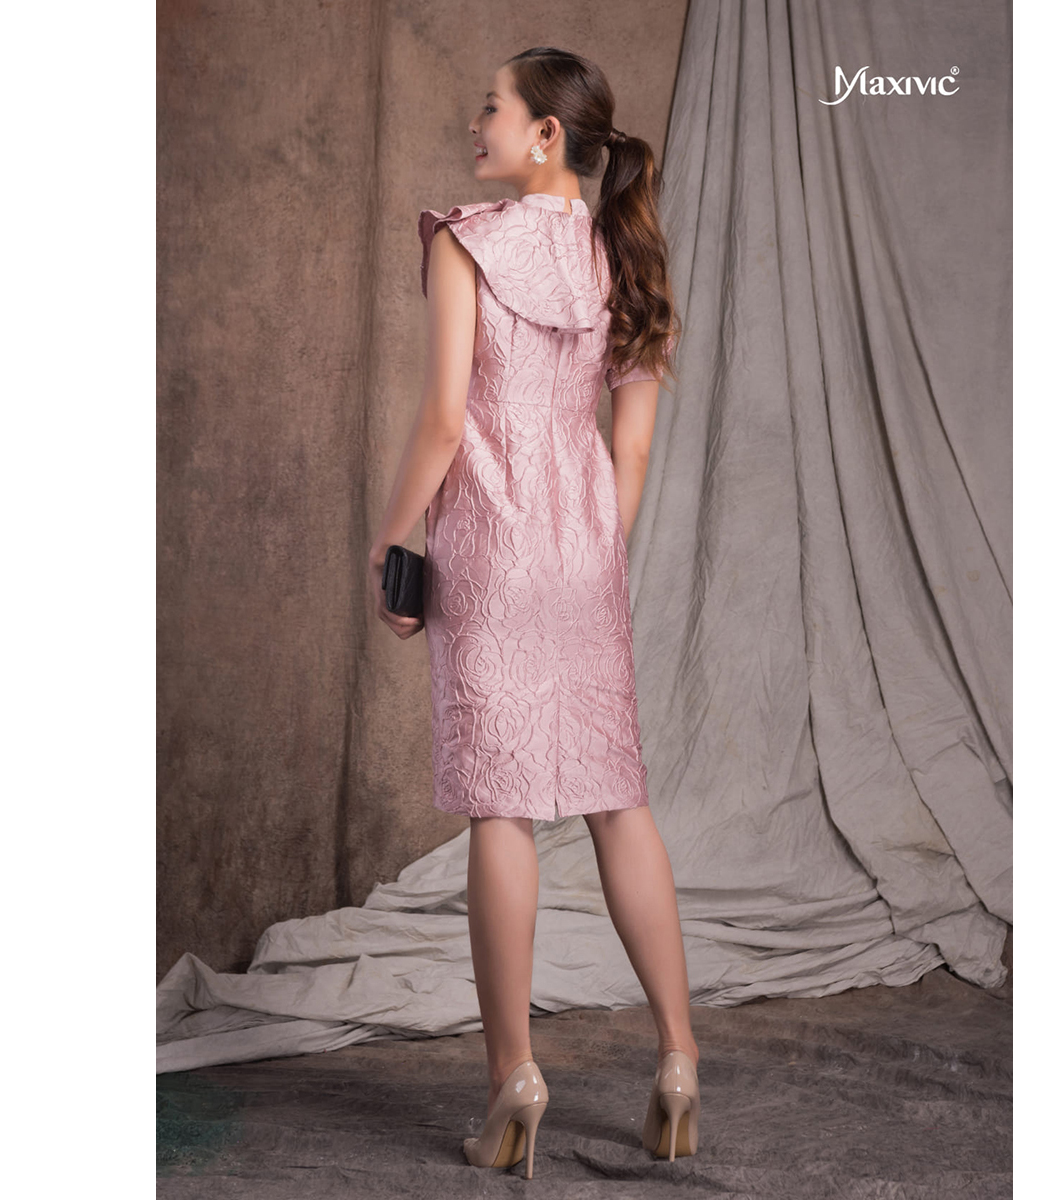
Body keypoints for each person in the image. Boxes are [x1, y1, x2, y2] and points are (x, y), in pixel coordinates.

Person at [367, 47, 698, 1178]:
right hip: (585, 555)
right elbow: (632, 448)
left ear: (546, 135)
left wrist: (392, 540)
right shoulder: (627, 258)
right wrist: (593, 547)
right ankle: (679, 1059)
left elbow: (444, 421)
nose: (477, 123)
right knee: (618, 801)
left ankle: (514, 1075)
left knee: (501, 813)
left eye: (493, 107)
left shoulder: (465, 240)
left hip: (490, 545)